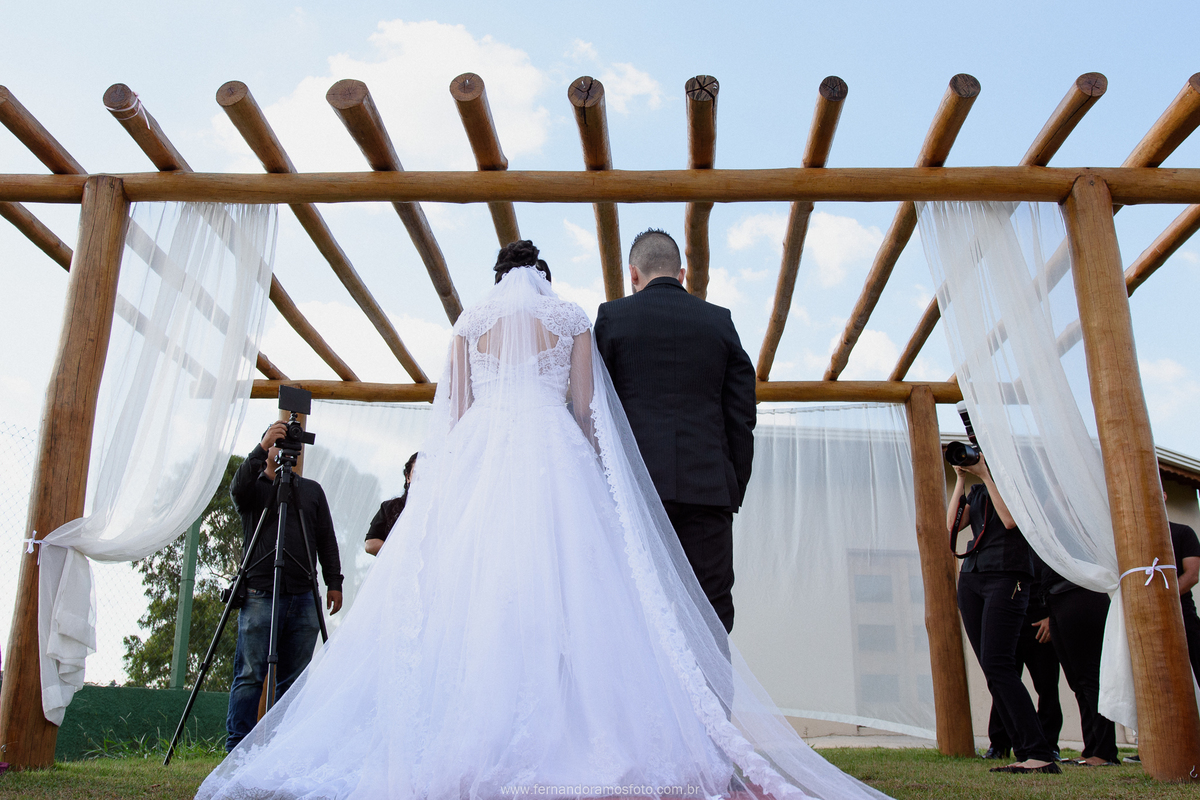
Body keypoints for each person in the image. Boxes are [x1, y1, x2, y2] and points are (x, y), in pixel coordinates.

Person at [198, 240, 888, 800]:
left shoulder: (472, 325)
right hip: (579, 463)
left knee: (472, 599)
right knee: (606, 606)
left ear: (497, 280)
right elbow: (589, 411)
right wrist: (600, 474)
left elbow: (458, 412)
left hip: (481, 463)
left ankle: (467, 728)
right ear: (547, 279)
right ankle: (657, 737)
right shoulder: (577, 319)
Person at [594, 229, 756, 633]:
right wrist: (730, 484)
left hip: (636, 494)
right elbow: (741, 413)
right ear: (681, 273)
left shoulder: (612, 318)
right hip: (708, 492)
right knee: (711, 616)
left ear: (633, 274)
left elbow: (598, 411)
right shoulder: (720, 321)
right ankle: (712, 698)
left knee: (637, 612)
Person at [224, 421, 344, 753]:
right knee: (250, 674)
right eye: (277, 443)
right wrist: (262, 447)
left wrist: (334, 581)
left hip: (304, 594)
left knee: (294, 682)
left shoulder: (311, 491)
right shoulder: (254, 488)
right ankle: (237, 751)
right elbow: (236, 488)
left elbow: (326, 541)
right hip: (261, 593)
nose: (284, 450)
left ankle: (279, 751)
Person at [948, 456, 1061, 774]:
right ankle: (1026, 751)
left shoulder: (1019, 489)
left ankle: (1038, 753)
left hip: (1007, 575)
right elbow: (953, 526)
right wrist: (960, 479)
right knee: (992, 669)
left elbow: (1011, 521)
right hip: (972, 577)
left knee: (1000, 666)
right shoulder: (979, 491)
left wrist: (986, 474)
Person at [1036, 561, 1118, 767]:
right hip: (1055, 598)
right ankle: (1091, 748)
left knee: (1089, 679)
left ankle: (1105, 752)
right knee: (1077, 682)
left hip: (1078, 593)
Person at [983, 563, 1061, 762]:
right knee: (1002, 683)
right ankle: (999, 744)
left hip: (1037, 620)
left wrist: (1051, 616)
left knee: (1047, 686)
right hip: (1008, 618)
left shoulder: (1041, 540)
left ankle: (1049, 744)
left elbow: (1055, 578)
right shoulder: (1003, 545)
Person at [364, 452, 418, 556]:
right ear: (408, 477)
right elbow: (370, 544)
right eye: (416, 473)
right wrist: (403, 555)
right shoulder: (390, 507)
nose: (421, 478)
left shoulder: (440, 512)